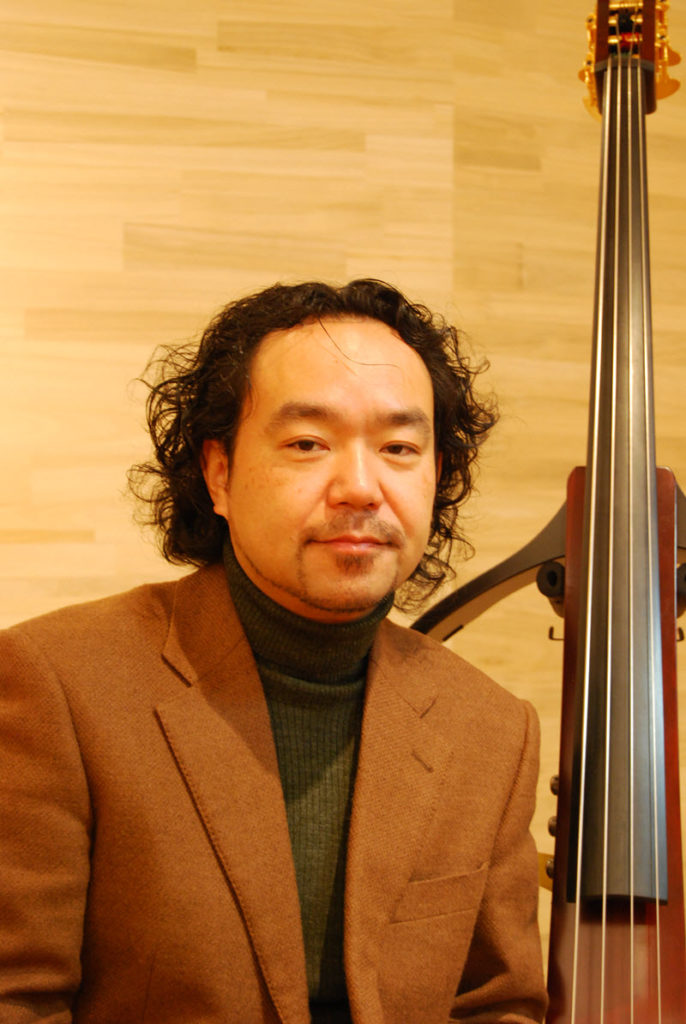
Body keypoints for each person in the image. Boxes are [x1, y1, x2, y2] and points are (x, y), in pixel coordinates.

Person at [0, 279, 547, 1023]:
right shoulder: (57, 684)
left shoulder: (491, 728)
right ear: (218, 474)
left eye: (399, 447)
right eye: (307, 444)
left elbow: (498, 1005)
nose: (360, 486)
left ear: (436, 478)